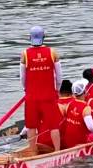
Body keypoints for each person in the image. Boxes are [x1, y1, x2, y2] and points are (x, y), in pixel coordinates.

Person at [20, 26, 62, 154]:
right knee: (53, 125)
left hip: (31, 97)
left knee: (31, 125)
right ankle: (57, 152)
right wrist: (57, 90)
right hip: (49, 96)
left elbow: (22, 77)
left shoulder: (25, 54)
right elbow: (59, 76)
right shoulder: (52, 52)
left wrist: (25, 89)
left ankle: (33, 152)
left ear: (30, 38)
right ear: (44, 37)